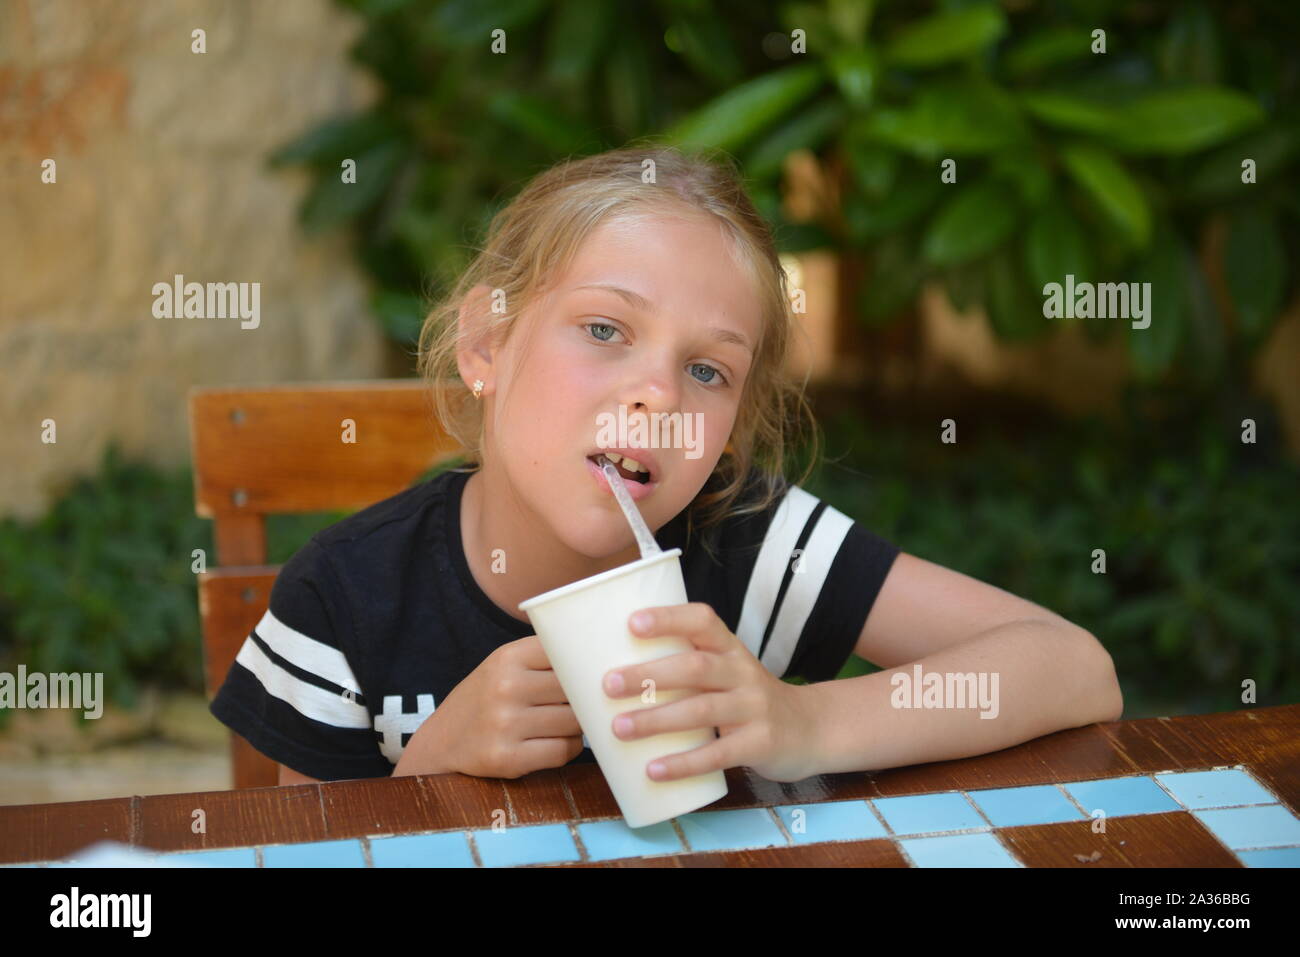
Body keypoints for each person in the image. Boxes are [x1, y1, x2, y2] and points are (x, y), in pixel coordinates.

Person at [209, 143, 1122, 787]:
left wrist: (805, 722)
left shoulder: (746, 543)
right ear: (487, 343)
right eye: (605, 329)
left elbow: (1072, 668)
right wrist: (428, 769)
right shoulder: (342, 602)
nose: (657, 395)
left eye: (706, 370)